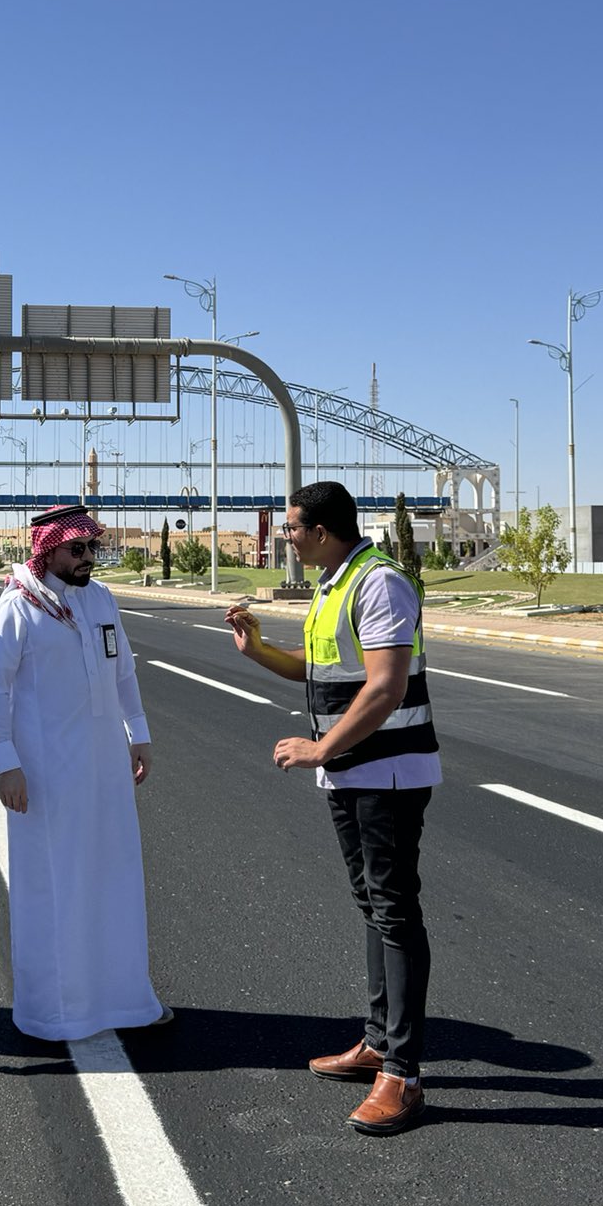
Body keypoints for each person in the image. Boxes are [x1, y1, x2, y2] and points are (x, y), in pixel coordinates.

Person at [226, 480, 439, 1136]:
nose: (286, 538)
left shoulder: (379, 583)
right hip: (353, 770)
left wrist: (321, 748)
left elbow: (385, 686)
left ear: (321, 531)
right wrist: (258, 649)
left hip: (388, 772)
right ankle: (377, 1042)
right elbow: (320, 671)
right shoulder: (334, 583)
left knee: (394, 911)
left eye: (291, 528)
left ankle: (402, 1074)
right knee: (373, 905)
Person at [0, 505, 168, 1040]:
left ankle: (125, 1000)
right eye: (77, 549)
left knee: (113, 876)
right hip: (45, 773)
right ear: (48, 550)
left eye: (92, 548)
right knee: (55, 884)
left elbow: (124, 670)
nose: (88, 558)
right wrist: (7, 763)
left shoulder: (100, 598)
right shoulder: (16, 609)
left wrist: (139, 733)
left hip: (105, 766)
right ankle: (55, 1010)